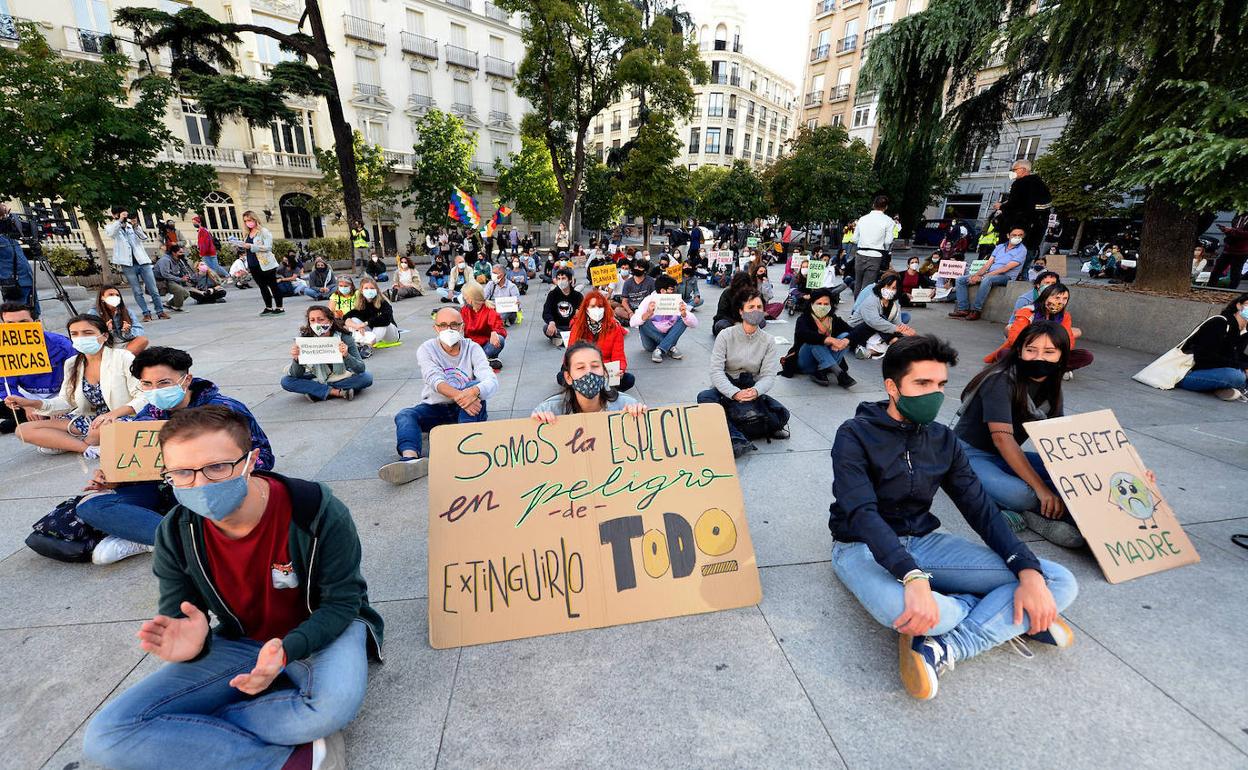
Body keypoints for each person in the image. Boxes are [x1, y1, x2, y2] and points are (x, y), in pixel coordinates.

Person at [82, 405, 384, 770]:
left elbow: (342, 603)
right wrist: (192, 644)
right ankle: (291, 756)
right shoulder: (176, 531)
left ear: (250, 461)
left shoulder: (314, 509)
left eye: (217, 467)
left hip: (323, 630)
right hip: (243, 640)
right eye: (182, 473)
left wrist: (287, 650)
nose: (200, 484)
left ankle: (195, 731)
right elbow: (181, 612)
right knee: (107, 735)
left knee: (327, 710)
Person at [828, 334, 1077, 701]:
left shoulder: (943, 440)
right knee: (908, 611)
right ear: (892, 387)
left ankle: (948, 646)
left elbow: (981, 510)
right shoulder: (854, 435)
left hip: (923, 541)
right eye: (922, 384)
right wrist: (912, 577)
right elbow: (862, 512)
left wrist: (1026, 570)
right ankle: (1005, 614)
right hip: (860, 546)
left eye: (940, 384)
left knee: (1056, 580)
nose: (934, 394)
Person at [74, 346, 275, 564]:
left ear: (186, 380)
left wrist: (214, 468)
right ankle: (171, 540)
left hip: (207, 486)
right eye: (147, 384)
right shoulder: (150, 412)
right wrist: (113, 476)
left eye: (163, 383)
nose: (155, 390)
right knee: (91, 506)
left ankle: (152, 536)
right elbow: (136, 459)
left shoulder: (224, 410)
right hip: (161, 487)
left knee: (211, 506)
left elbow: (264, 457)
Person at [955, 322, 1084, 547]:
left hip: (1007, 455)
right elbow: (1002, 439)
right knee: (1022, 495)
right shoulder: (999, 379)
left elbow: (1058, 439)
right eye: (1031, 350)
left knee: (1073, 478)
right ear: (1019, 350)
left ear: (1061, 355)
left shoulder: (1053, 386)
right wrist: (1041, 489)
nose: (1039, 358)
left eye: (1049, 352)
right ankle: (1033, 516)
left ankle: (1039, 509)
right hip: (969, 454)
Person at [379, 307, 498, 485]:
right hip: (436, 407)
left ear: (462, 327)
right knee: (405, 415)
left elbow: (490, 379)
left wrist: (473, 392)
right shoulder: (427, 349)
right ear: (435, 328)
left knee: (474, 386)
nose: (448, 329)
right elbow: (435, 380)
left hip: (467, 409)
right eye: (443, 325)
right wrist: (462, 397)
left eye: (454, 324)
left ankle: (464, 451)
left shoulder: (472, 348)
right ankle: (410, 460)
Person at [5, 315, 144, 457]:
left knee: (98, 430)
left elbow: (142, 396)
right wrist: (30, 403)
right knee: (22, 430)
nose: (81, 338)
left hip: (121, 417)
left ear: (104, 336)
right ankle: (88, 449)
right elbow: (66, 401)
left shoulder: (123, 357)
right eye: (75, 334)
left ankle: (71, 443)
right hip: (88, 419)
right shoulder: (72, 363)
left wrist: (112, 415)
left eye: (87, 333)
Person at [697, 290, 790, 458]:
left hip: (751, 388)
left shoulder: (768, 341)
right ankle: (736, 438)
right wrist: (734, 393)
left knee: (781, 414)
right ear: (741, 311)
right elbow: (716, 371)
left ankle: (734, 427)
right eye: (751, 307)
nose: (755, 311)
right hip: (727, 387)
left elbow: (768, 375)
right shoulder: (726, 335)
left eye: (759, 307)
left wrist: (755, 391)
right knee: (705, 398)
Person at [0, 302, 76, 434]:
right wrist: (26, 405)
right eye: (10, 324)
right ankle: (39, 419)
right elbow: (5, 386)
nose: (17, 328)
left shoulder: (62, 344)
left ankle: (40, 420)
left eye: (23, 322)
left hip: (62, 395)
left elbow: (77, 378)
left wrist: (58, 406)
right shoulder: (4, 349)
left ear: (37, 323)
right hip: (26, 398)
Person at [987, 283, 1093, 374]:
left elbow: (1068, 339)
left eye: (1065, 299)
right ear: (1045, 297)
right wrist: (1034, 349)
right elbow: (1015, 338)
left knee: (1086, 356)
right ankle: (1049, 371)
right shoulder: (1027, 312)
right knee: (1004, 354)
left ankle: (1041, 370)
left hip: (1051, 354)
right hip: (1029, 352)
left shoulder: (1065, 316)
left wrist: (1054, 352)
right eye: (1057, 298)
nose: (1061, 302)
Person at [532, 342, 647, 421]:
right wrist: (538, 423)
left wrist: (638, 417)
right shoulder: (549, 409)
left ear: (605, 373)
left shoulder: (626, 404)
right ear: (568, 377)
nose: (589, 372)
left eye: (595, 366)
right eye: (580, 367)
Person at [282, 306, 373, 402]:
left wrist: (346, 356)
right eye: (312, 320)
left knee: (366, 378)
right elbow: (296, 374)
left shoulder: (344, 337)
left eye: (321, 319)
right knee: (286, 381)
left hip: (341, 375)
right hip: (316, 375)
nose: (316, 323)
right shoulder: (305, 339)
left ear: (330, 321)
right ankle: (336, 392)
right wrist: (297, 359)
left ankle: (316, 390)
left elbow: (360, 368)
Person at [1173, 293, 1248, 401]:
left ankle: (1219, 387)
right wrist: (1240, 367)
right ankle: (1223, 386)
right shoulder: (1220, 322)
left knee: (1239, 373)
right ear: (1239, 305)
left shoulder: (1244, 331)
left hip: (1215, 371)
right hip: (1189, 371)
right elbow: (1204, 357)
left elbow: (1235, 355)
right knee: (1236, 376)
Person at [782, 288, 855, 388]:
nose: (822, 307)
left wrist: (841, 343)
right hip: (806, 361)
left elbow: (852, 332)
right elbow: (804, 334)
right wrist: (829, 340)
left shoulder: (833, 319)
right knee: (815, 342)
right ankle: (839, 374)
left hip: (829, 356)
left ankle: (822, 370)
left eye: (826, 304)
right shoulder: (804, 319)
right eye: (819, 303)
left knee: (845, 336)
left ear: (831, 305)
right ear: (812, 304)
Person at [104, 206, 168, 322]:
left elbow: (144, 237)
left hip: (143, 261)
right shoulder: (111, 227)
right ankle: (146, 313)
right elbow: (111, 233)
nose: (124, 216)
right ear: (115, 215)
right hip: (128, 264)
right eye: (120, 214)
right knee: (137, 291)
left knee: (153, 289)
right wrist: (120, 221)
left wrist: (135, 226)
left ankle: (160, 311)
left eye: (125, 214)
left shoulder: (131, 226)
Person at [949, 227, 1027, 321]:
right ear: (1008, 236)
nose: (1017, 237)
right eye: (1014, 235)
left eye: (1020, 235)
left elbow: (1005, 268)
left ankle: (976, 310)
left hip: (1006, 277)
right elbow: (988, 264)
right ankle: (963, 309)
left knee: (987, 280)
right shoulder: (1000, 247)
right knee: (960, 280)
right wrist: (976, 275)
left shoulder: (1022, 250)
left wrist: (983, 277)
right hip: (990, 273)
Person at [566, 289, 634, 392]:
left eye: (600, 306)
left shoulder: (614, 328)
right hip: (583, 368)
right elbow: (570, 353)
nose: (597, 310)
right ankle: (599, 389)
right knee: (562, 376)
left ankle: (594, 389)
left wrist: (620, 369)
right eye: (593, 306)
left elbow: (619, 355)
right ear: (586, 309)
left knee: (629, 379)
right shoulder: (578, 326)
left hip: (605, 369)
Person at [995, 159, 1052, 280]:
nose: (1013, 172)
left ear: (1023, 170)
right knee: (1029, 253)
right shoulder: (1041, 185)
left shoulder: (1020, 184)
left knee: (1013, 253)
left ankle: (1009, 277)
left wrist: (1002, 207)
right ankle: (1023, 276)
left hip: (1020, 226)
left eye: (1014, 170)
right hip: (1037, 229)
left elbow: (1015, 205)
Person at [630, 274, 697, 363]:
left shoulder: (677, 300)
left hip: (669, 335)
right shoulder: (648, 300)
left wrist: (684, 314)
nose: (674, 292)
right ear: (662, 291)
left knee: (683, 319)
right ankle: (669, 347)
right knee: (644, 321)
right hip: (651, 342)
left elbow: (695, 324)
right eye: (671, 289)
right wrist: (648, 313)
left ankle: (660, 349)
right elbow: (632, 322)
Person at [848, 274, 916, 357]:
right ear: (882, 286)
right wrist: (897, 329)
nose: (890, 290)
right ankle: (895, 342)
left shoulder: (895, 303)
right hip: (858, 330)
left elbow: (897, 322)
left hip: (877, 329)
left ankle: (870, 352)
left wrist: (905, 328)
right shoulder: (871, 300)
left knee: (889, 327)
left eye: (894, 288)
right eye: (888, 286)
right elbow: (875, 321)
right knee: (882, 321)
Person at [236, 210, 282, 315]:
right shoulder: (247, 233)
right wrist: (241, 245)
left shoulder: (263, 231)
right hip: (253, 263)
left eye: (249, 220)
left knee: (273, 285)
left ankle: (280, 307)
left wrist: (252, 246)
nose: (248, 222)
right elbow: (248, 248)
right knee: (262, 287)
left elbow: (268, 247)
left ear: (255, 219)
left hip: (266, 263)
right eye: (245, 221)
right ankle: (268, 307)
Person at [343, 278, 399, 356]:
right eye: (366, 288)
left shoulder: (383, 303)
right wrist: (357, 326)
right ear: (361, 291)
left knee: (381, 323)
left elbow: (385, 319)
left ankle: (368, 347)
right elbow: (346, 317)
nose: (369, 290)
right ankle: (359, 343)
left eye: (372, 288)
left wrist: (366, 323)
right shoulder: (361, 304)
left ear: (376, 290)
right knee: (354, 319)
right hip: (374, 333)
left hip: (390, 335)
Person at [87, 285, 150, 355]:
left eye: (117, 295)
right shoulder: (94, 313)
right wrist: (106, 330)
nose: (115, 297)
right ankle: (122, 357)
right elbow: (91, 336)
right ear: (102, 298)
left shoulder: (127, 311)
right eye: (111, 295)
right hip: (107, 346)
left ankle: (120, 357)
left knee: (143, 340)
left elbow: (139, 330)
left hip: (125, 344)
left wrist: (127, 332)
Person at [853, 195, 896, 294]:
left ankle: (857, 302)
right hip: (876, 255)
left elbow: (854, 239)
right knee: (868, 285)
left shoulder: (862, 219)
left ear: (873, 205)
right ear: (886, 207)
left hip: (860, 253)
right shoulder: (889, 221)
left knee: (857, 283)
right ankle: (864, 302)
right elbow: (888, 241)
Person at [459, 282, 507, 370]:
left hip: (485, 347)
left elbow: (500, 328)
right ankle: (484, 361)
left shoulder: (489, 310)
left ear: (470, 299)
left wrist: (495, 332)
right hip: (470, 346)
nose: (463, 298)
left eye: (465, 296)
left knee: (500, 339)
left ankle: (476, 361)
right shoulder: (464, 310)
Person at [542, 267, 583, 347]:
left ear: (570, 280)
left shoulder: (578, 296)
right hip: (558, 327)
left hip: (573, 327)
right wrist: (551, 322)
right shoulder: (552, 294)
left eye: (563, 278)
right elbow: (546, 312)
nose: (560, 281)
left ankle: (562, 340)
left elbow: (583, 313)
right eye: (558, 279)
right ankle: (570, 339)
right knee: (546, 328)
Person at [1209, 213, 1248, 289]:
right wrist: (1226, 230)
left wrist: (1233, 231)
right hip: (1229, 248)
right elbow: (1234, 228)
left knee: (1235, 272)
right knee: (1217, 269)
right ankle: (1210, 287)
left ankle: (1232, 290)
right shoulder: (1238, 215)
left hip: (1242, 250)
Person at [612, 258, 656, 324]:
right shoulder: (628, 282)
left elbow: (654, 297)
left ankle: (635, 320)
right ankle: (638, 319)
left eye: (640, 268)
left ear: (645, 271)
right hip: (632, 309)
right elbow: (624, 301)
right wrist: (630, 312)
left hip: (645, 309)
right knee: (618, 310)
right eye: (636, 267)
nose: (637, 269)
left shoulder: (651, 281)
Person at [155, 244, 195, 312]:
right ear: (173, 253)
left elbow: (184, 269)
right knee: (179, 290)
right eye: (180, 252)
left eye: (183, 252)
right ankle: (177, 307)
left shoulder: (179, 259)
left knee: (186, 294)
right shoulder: (165, 260)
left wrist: (188, 277)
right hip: (162, 280)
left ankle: (168, 304)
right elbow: (165, 274)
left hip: (171, 279)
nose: (182, 254)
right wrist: (180, 279)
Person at [191, 214, 228, 279]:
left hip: (207, 253)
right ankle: (226, 276)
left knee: (211, 268)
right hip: (210, 251)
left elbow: (204, 243)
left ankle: (223, 277)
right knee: (215, 267)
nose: (194, 224)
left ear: (199, 222)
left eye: (195, 222)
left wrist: (201, 252)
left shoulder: (202, 231)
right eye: (193, 223)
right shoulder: (204, 230)